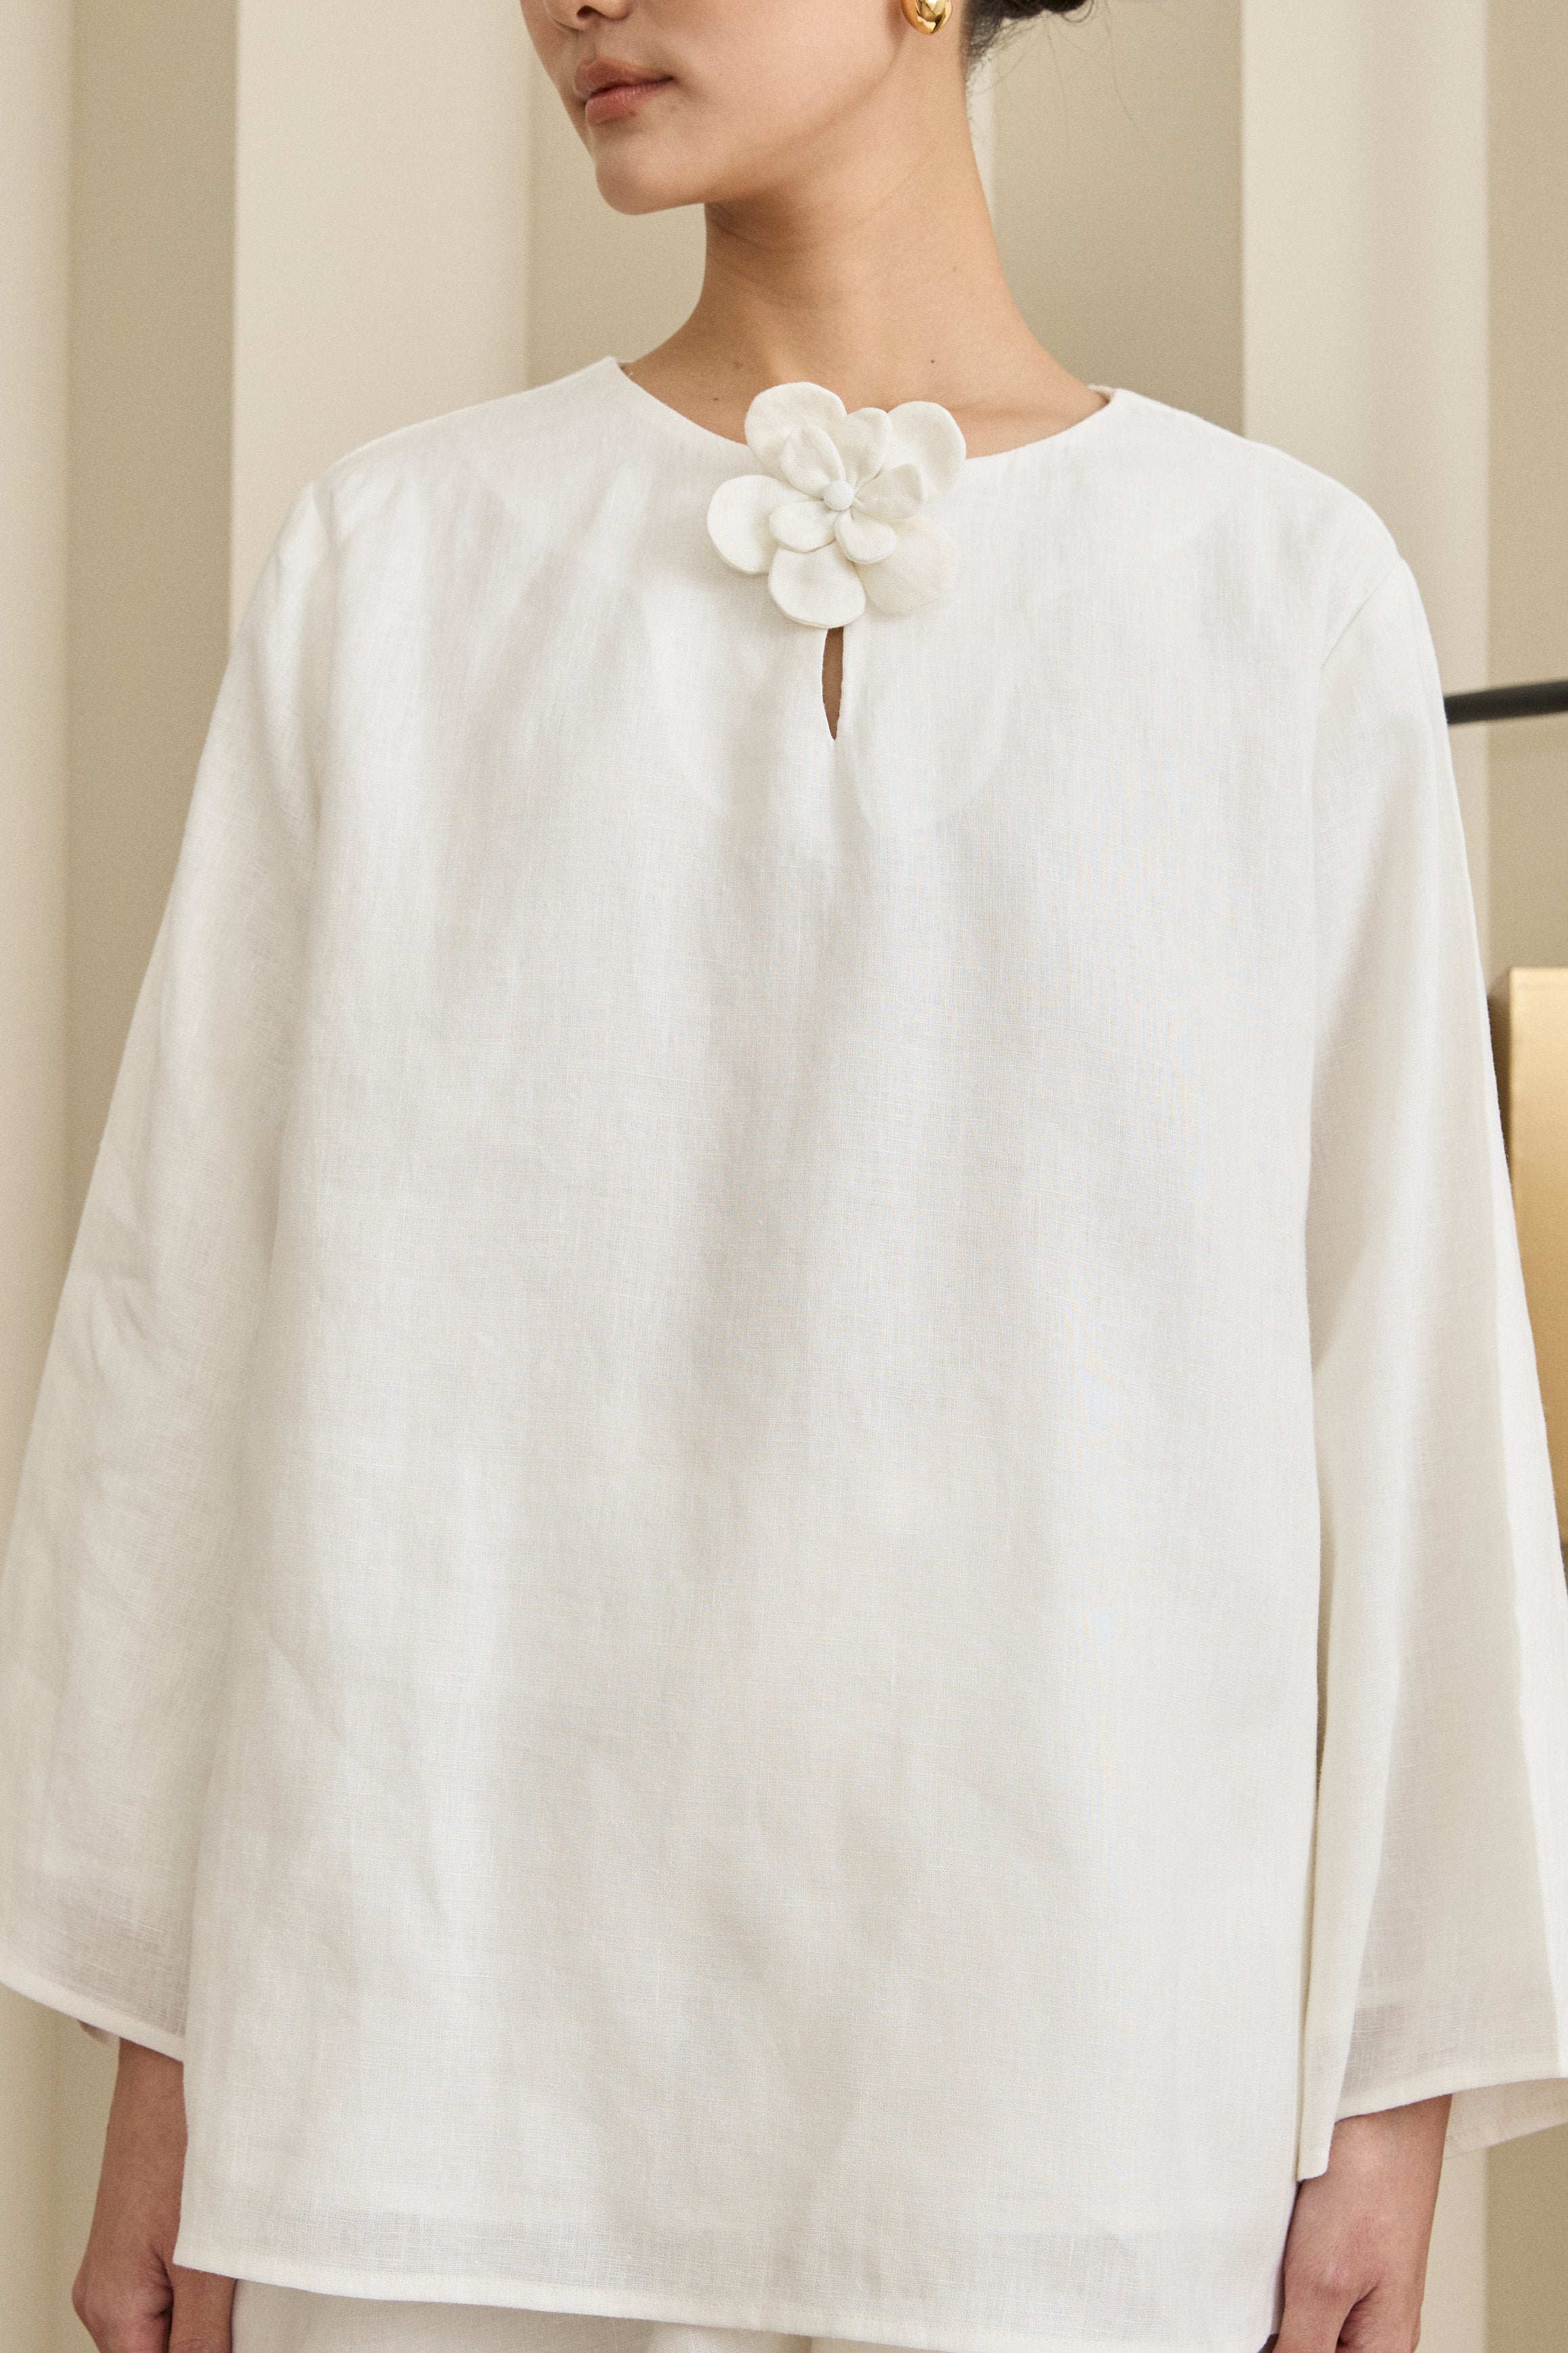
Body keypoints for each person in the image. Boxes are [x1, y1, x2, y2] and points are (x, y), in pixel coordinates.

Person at [4, 0, 1567, 2350]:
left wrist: (1389, 2092)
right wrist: (175, 2058)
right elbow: (188, 1354)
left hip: (1086, 2085)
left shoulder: (1280, 595)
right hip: (436, 2069)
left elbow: (1415, 1381)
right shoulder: (399, 567)